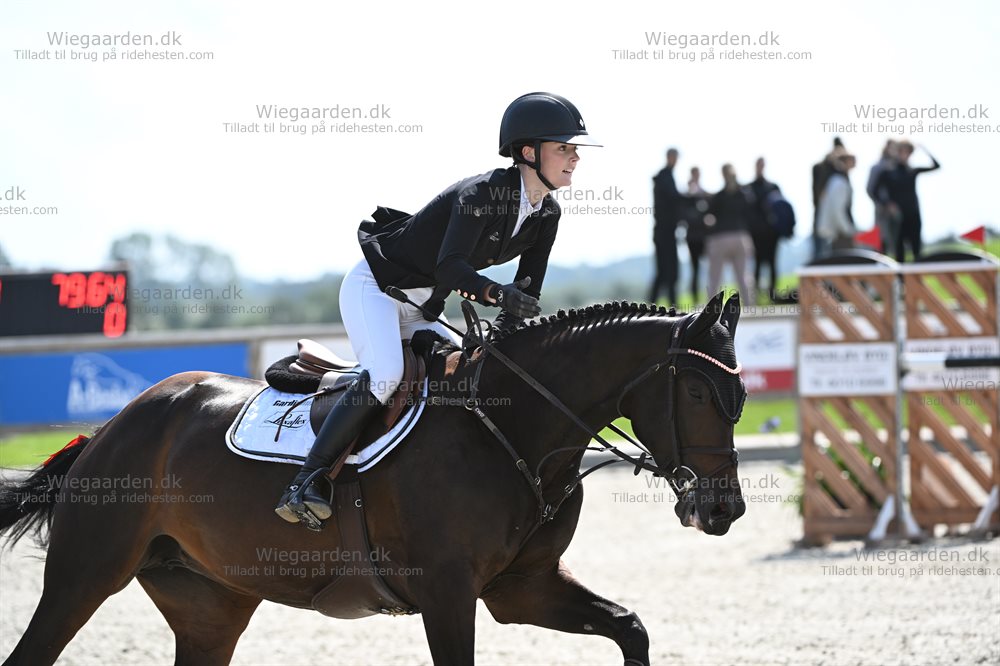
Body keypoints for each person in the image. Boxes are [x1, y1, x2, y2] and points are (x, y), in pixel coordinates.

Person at [275, 92, 602, 526]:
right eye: (564, 147)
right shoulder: (480, 194)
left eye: (574, 148)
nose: (575, 157)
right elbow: (451, 267)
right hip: (377, 288)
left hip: (422, 305)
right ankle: (306, 480)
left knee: (473, 371)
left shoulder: (547, 213)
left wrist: (506, 330)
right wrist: (496, 294)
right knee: (387, 374)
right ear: (529, 152)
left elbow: (528, 286)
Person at [874, 140, 940, 262]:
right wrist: (887, 204)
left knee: (917, 251)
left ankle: (918, 274)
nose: (905, 155)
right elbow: (874, 191)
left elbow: (937, 166)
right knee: (899, 252)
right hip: (897, 218)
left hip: (913, 214)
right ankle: (900, 274)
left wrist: (924, 149)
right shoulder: (887, 172)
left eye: (908, 152)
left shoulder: (912, 171)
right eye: (902, 151)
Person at [705, 163, 755, 305]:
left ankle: (711, 309)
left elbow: (709, 217)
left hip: (720, 237)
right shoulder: (744, 194)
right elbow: (750, 211)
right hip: (740, 237)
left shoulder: (719, 196)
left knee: (715, 277)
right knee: (743, 276)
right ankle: (750, 307)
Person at [649, 148, 682, 305]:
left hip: (666, 231)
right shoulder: (664, 177)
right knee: (667, 272)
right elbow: (673, 199)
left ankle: (662, 305)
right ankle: (666, 306)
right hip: (664, 231)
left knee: (666, 272)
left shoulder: (666, 176)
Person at [749, 157, 781, 302]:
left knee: (772, 263)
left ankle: (773, 296)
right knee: (757, 264)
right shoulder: (749, 188)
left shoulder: (773, 187)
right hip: (755, 233)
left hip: (771, 233)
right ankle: (755, 297)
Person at [815, 150, 857, 256]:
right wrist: (847, 229)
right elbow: (838, 209)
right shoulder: (839, 182)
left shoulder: (836, 180)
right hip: (840, 233)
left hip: (837, 232)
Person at [812, 137, 846, 261]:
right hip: (823, 214)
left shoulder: (840, 170)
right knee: (820, 253)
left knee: (835, 254)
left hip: (835, 218)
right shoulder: (822, 168)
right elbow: (818, 194)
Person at [866, 140, 900, 255]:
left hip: (898, 210)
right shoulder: (877, 167)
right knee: (881, 239)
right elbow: (870, 189)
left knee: (897, 242)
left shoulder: (899, 167)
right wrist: (884, 204)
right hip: (882, 210)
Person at [682, 166, 709, 300]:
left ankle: (710, 295)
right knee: (695, 268)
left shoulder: (703, 193)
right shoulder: (687, 195)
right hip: (692, 237)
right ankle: (695, 296)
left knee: (708, 267)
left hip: (704, 236)